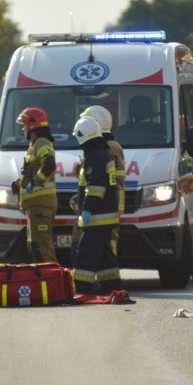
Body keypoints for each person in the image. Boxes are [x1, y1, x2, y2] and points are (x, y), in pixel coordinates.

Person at [72, 116, 122, 294]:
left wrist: (86, 209)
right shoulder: (104, 154)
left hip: (96, 217)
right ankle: (112, 283)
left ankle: (80, 286)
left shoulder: (94, 157)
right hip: (107, 215)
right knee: (105, 254)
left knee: (85, 253)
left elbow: (96, 187)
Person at [11, 106, 58, 263]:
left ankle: (51, 282)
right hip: (34, 206)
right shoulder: (34, 145)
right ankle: (43, 282)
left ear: (33, 125)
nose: (23, 129)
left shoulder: (41, 143)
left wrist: (35, 181)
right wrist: (21, 184)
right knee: (35, 246)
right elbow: (33, 170)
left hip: (41, 206)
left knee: (43, 248)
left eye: (24, 125)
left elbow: (49, 163)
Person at [81, 105, 125, 252]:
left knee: (108, 243)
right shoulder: (98, 146)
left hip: (106, 202)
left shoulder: (109, 147)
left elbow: (110, 179)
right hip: (99, 201)